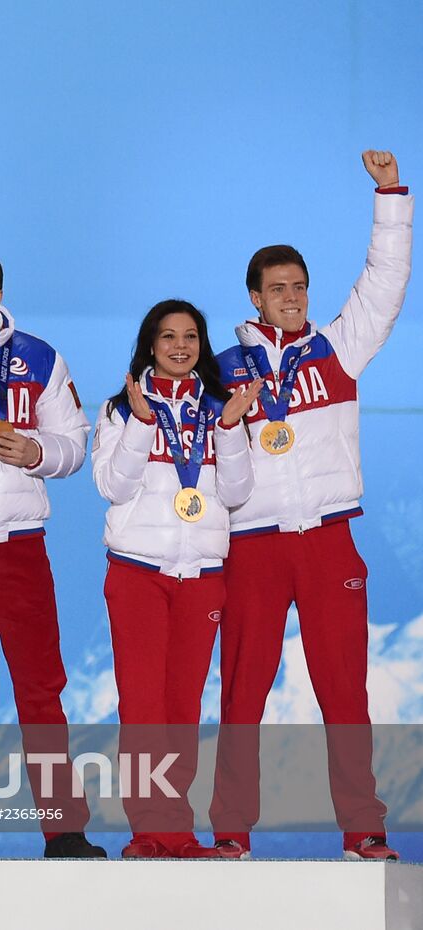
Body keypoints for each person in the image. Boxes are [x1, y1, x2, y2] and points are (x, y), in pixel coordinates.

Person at [210, 150, 413, 861]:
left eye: (299, 285)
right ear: (255, 298)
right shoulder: (222, 370)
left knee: (343, 695)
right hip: (254, 545)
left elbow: (384, 285)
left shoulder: (337, 348)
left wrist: (389, 194)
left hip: (329, 540)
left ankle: (363, 830)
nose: (292, 296)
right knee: (242, 694)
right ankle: (230, 831)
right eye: (278, 288)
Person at [0, 244, 104, 859]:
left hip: (18, 544)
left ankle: (63, 829)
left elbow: (76, 445)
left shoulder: (39, 357)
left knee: (39, 687)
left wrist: (36, 453)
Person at [93, 300, 260, 858]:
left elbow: (236, 495)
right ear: (150, 344)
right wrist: (142, 424)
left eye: (191, 336)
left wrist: (232, 428)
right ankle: (149, 832)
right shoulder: (120, 408)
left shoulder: (220, 408)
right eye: (168, 336)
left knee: (183, 707)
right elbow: (112, 487)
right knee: (143, 707)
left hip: (203, 576)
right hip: (139, 573)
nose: (180, 346)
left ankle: (179, 832)